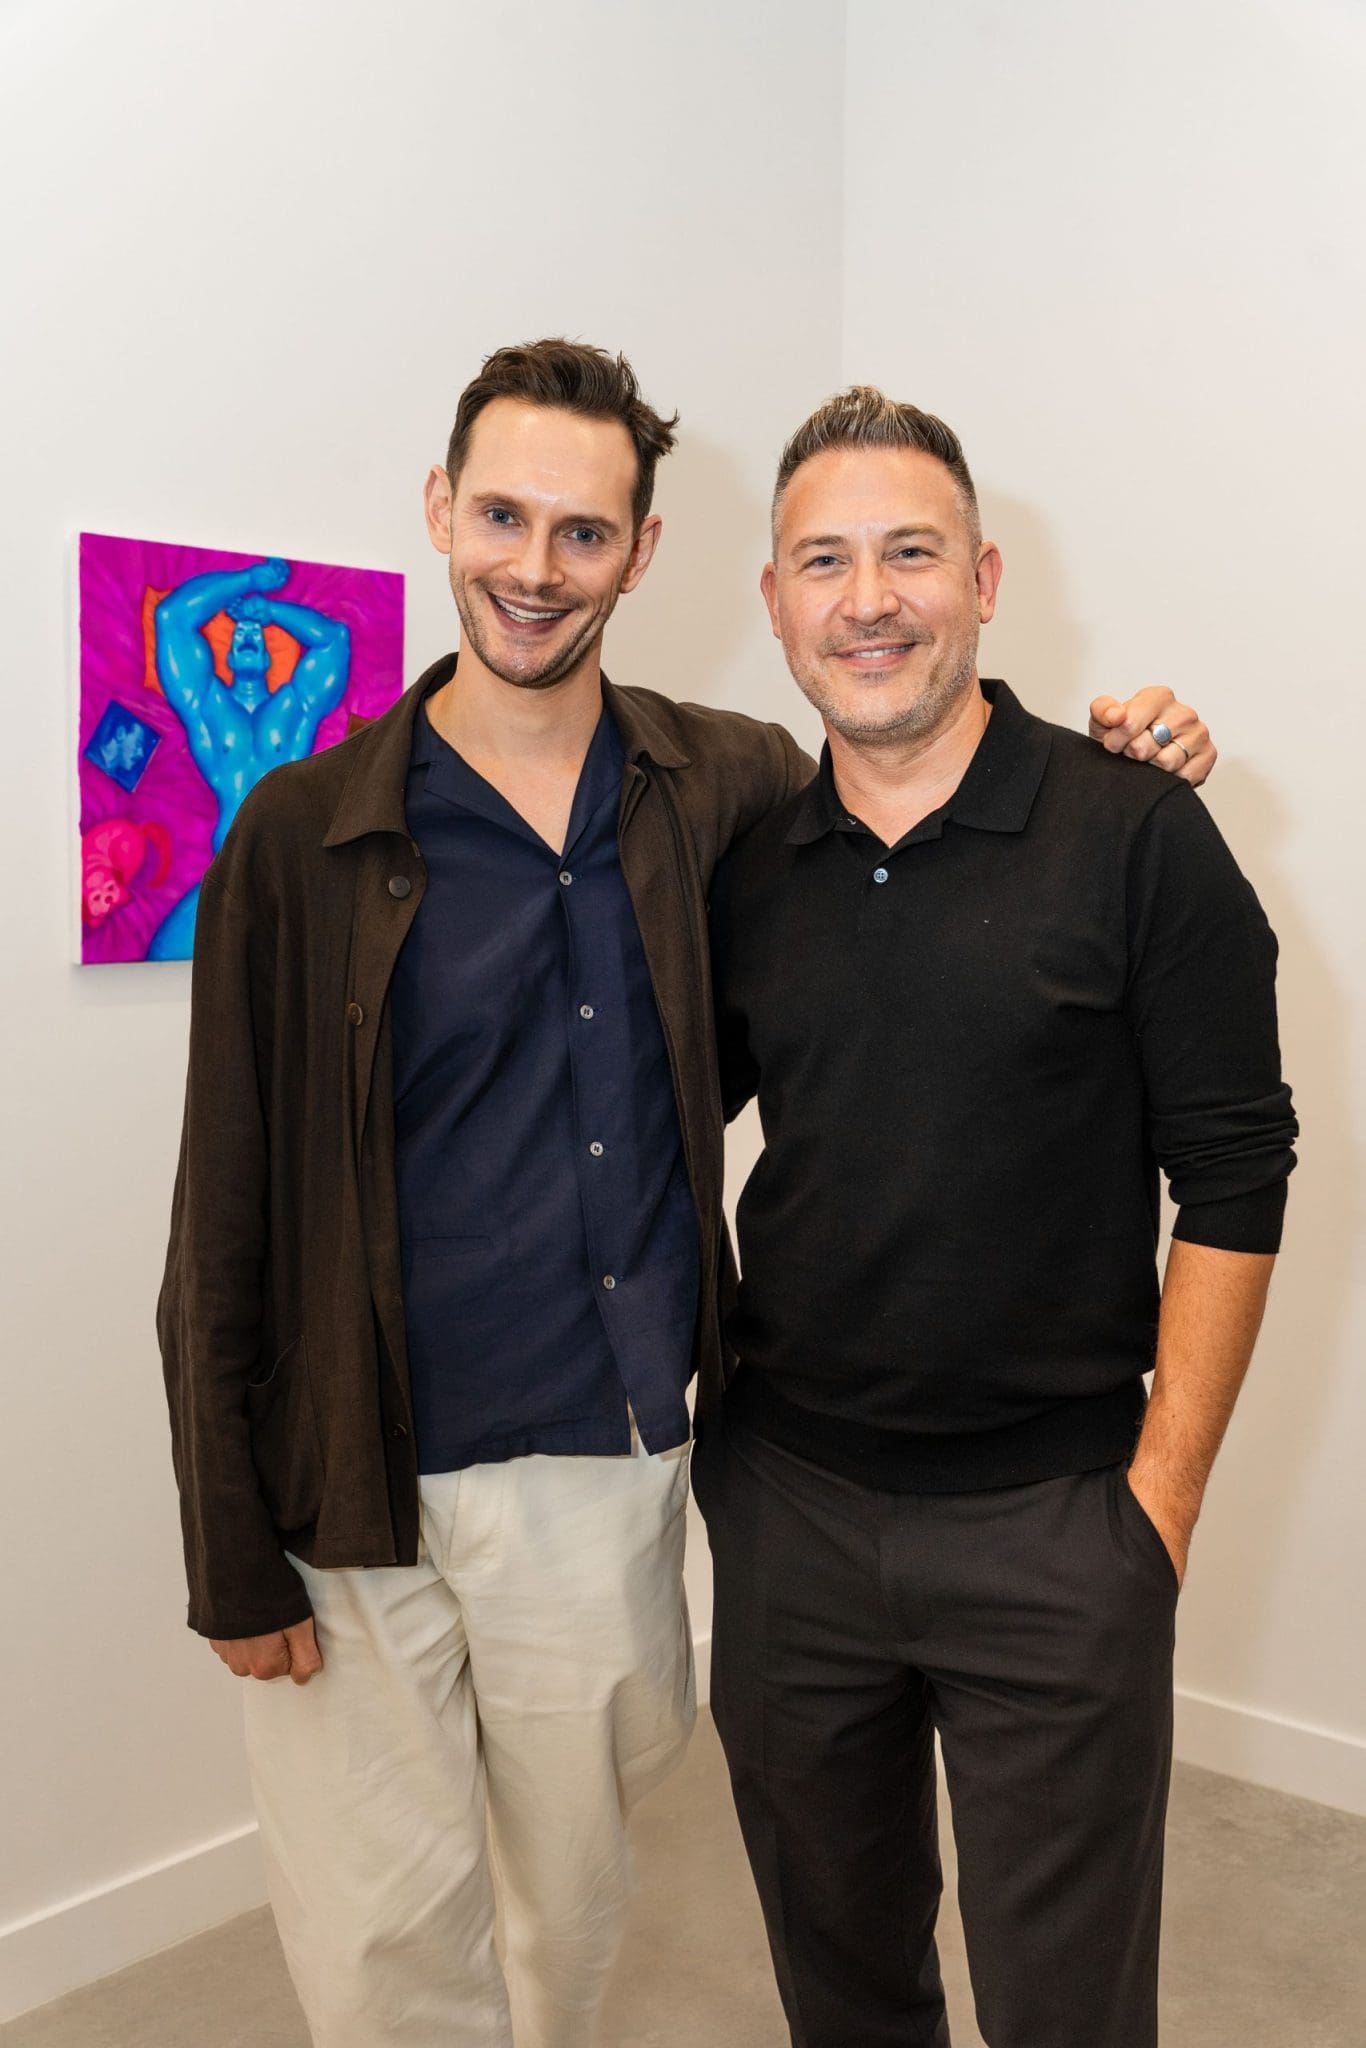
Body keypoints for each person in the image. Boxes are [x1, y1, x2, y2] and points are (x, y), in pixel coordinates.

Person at [157, 340, 1213, 2048]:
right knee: (380, 1953)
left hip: (599, 1461)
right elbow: (222, 1206)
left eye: (582, 530)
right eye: (501, 515)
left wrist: (1127, 756)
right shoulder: (300, 831)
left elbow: (917, 800)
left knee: (567, 1928)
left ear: (640, 553)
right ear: (439, 511)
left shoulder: (727, 788)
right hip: (346, 1474)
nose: (534, 564)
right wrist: (229, 1547)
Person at [697, 387, 1297, 2048]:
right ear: (774, 600)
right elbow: (661, 1120)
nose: (866, 599)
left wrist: (1156, 1505)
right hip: (792, 1516)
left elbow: (1236, 1172)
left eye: (909, 553)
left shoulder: (1135, 832)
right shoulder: (749, 867)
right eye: (824, 560)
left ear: (982, 580)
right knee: (841, 1985)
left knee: (1065, 2008)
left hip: (1056, 1524)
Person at [147, 558, 352, 957]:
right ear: (224, 655)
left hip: (292, 874)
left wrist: (270, 610)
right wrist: (249, 579)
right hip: (228, 871)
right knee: (162, 957)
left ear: (271, 655)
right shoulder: (207, 706)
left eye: (256, 633)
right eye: (239, 632)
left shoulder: (294, 708)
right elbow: (172, 617)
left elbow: (334, 639)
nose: (248, 636)